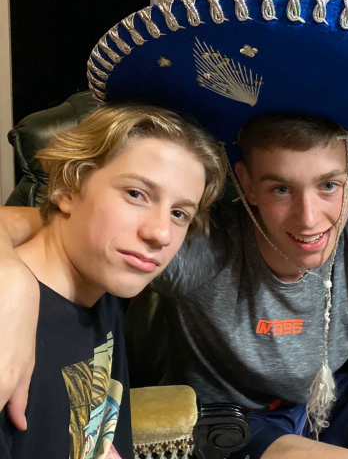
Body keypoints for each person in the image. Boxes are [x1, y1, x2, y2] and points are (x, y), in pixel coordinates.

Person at [0, 0, 348, 459]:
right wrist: (14, 284)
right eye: (280, 189)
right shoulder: (193, 241)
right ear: (246, 184)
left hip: (323, 401)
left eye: (328, 185)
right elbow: (41, 225)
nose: (309, 218)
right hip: (228, 422)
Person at [0, 104, 226, 458]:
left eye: (179, 213)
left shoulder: (102, 286)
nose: (161, 234)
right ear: (68, 189)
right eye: (136, 194)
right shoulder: (8, 317)